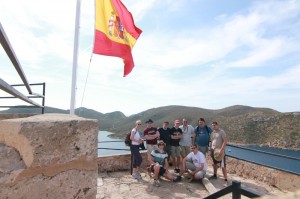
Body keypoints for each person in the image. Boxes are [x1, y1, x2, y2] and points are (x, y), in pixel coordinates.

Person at [209, 121, 228, 186]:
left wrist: (221, 150)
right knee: (214, 163)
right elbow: (211, 141)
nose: (214, 126)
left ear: (217, 125)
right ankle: (215, 175)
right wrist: (210, 149)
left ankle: (225, 180)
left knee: (223, 166)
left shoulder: (221, 132)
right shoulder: (212, 133)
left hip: (220, 151)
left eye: (215, 125)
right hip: (213, 151)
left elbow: (225, 141)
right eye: (213, 125)